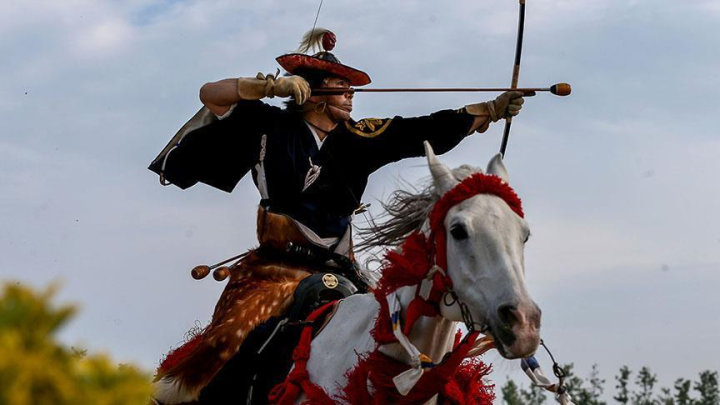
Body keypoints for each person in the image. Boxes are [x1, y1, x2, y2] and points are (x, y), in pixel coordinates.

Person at [150, 28, 528, 404]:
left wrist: (487, 111)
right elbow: (211, 95)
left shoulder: (356, 138)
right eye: (340, 86)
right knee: (228, 338)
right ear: (312, 93)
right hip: (273, 270)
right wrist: (265, 88)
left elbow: (417, 131)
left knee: (402, 331)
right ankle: (175, 397)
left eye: (352, 89)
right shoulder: (269, 125)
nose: (351, 96)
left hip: (342, 271)